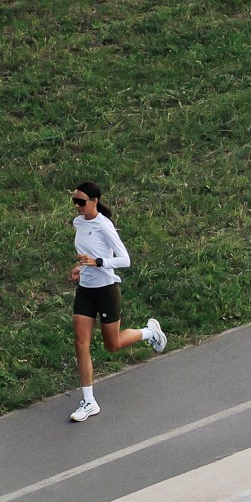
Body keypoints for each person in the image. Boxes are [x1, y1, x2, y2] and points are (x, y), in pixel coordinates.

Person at [66, 181, 166, 422]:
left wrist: (98, 262)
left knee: (113, 344)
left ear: (94, 201)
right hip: (86, 290)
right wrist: (79, 267)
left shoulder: (104, 226)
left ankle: (149, 333)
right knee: (81, 343)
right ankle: (89, 401)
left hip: (107, 290)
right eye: (74, 201)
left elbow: (125, 260)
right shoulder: (78, 223)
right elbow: (85, 254)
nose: (77, 206)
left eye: (81, 202)